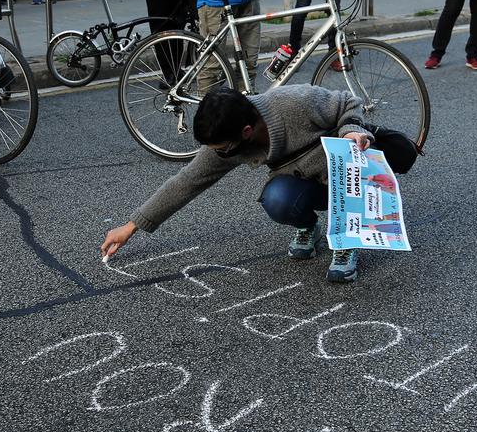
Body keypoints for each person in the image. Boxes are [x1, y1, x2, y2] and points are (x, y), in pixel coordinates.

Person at [100, 85, 375, 284]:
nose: (218, 153)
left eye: (222, 148)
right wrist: (131, 226)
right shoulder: (226, 140)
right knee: (276, 198)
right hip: (306, 183)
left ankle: (347, 239)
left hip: (346, 178)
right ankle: (308, 227)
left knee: (339, 177)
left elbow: (347, 102)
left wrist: (351, 130)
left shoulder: (292, 103)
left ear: (246, 132)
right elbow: (186, 182)